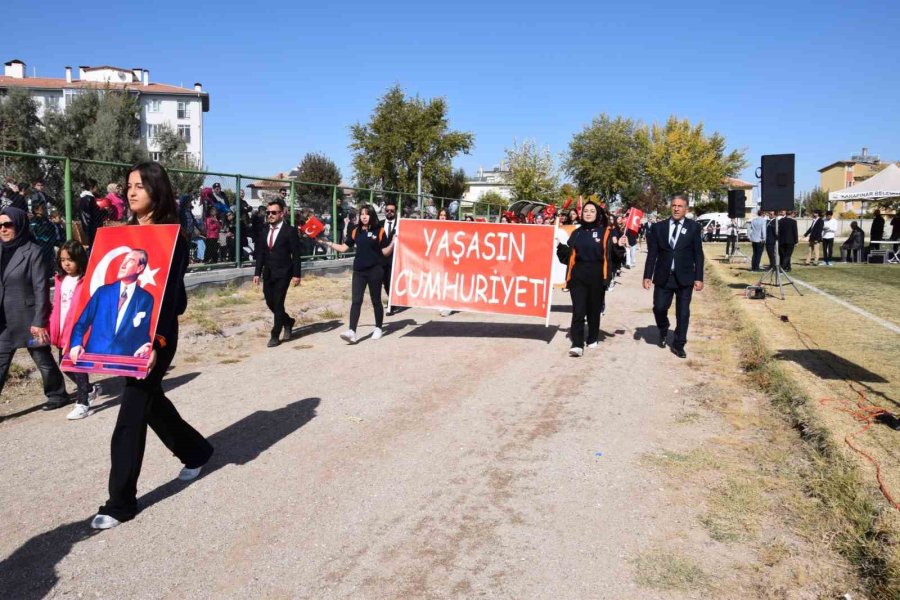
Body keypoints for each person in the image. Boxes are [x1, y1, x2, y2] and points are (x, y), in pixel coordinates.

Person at [89, 161, 214, 530]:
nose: (131, 192)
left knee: (131, 413)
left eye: (140, 186)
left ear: (157, 191)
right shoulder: (123, 235)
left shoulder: (173, 237)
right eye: (129, 185)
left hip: (155, 337)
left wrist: (155, 342)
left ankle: (120, 503)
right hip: (123, 335)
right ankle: (196, 451)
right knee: (151, 403)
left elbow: (171, 297)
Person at [0, 206, 71, 409]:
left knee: (42, 357)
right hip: (4, 319)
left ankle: (57, 395)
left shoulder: (34, 252)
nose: (3, 229)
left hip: (28, 317)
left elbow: (41, 288)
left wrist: (39, 321)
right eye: (0, 225)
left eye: (8, 224)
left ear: (20, 225)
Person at [556, 201, 624, 357]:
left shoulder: (605, 232)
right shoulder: (577, 233)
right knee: (578, 311)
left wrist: (619, 246)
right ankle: (577, 344)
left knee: (594, 310)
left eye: (592, 211)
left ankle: (593, 337)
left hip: (597, 277)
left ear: (597, 214)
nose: (588, 213)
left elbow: (613, 256)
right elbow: (569, 257)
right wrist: (559, 246)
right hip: (577, 277)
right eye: (586, 211)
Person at [320, 205, 395, 344]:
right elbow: (343, 248)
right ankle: (352, 331)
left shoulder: (379, 230)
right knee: (356, 301)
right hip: (359, 271)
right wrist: (327, 242)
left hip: (375, 270)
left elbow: (385, 252)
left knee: (376, 300)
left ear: (372, 215)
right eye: (362, 214)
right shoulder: (356, 231)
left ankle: (378, 328)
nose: (364, 216)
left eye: (367, 214)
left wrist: (393, 243)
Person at [642, 195, 704, 359]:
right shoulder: (659, 227)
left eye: (680, 206)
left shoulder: (694, 227)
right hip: (664, 276)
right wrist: (647, 275)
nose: (676, 209)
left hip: (685, 277)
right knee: (659, 307)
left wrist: (699, 277)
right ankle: (663, 328)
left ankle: (679, 344)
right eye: (674, 205)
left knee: (683, 313)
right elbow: (652, 254)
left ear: (686, 209)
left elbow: (698, 254)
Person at [68, 248, 155, 361]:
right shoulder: (102, 292)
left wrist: (145, 348)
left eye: (130, 261)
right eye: (124, 260)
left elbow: (142, 333)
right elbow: (81, 324)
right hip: (93, 358)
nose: (123, 265)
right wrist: (76, 344)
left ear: (140, 268)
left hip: (123, 361)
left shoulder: (146, 298)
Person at [49, 241, 101, 420]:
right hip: (61, 329)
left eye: (70, 260)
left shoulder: (86, 281)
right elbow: (57, 306)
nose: (66, 264)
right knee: (65, 366)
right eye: (63, 260)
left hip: (77, 329)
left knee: (77, 365)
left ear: (80, 260)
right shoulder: (60, 280)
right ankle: (90, 389)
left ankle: (82, 403)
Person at [254, 199, 302, 347]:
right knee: (270, 302)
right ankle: (288, 321)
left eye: (273, 212)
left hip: (284, 272)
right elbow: (261, 253)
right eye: (268, 212)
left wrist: (297, 274)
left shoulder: (290, 231)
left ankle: (275, 335)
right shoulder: (264, 230)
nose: (270, 215)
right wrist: (257, 273)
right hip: (268, 272)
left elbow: (296, 254)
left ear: (281, 214)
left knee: (279, 302)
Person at [382, 199, 398, 313]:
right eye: (387, 210)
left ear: (395, 211)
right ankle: (393, 300)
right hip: (382, 258)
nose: (389, 212)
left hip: (395, 258)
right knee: (385, 282)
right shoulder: (380, 224)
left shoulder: (400, 224)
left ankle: (391, 305)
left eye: (392, 211)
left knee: (391, 281)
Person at [77, 179, 102, 247]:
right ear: (91, 187)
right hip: (92, 227)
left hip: (87, 226)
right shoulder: (90, 198)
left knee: (91, 245)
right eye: (96, 186)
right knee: (94, 245)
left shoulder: (82, 198)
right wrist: (105, 211)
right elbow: (95, 213)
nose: (97, 188)